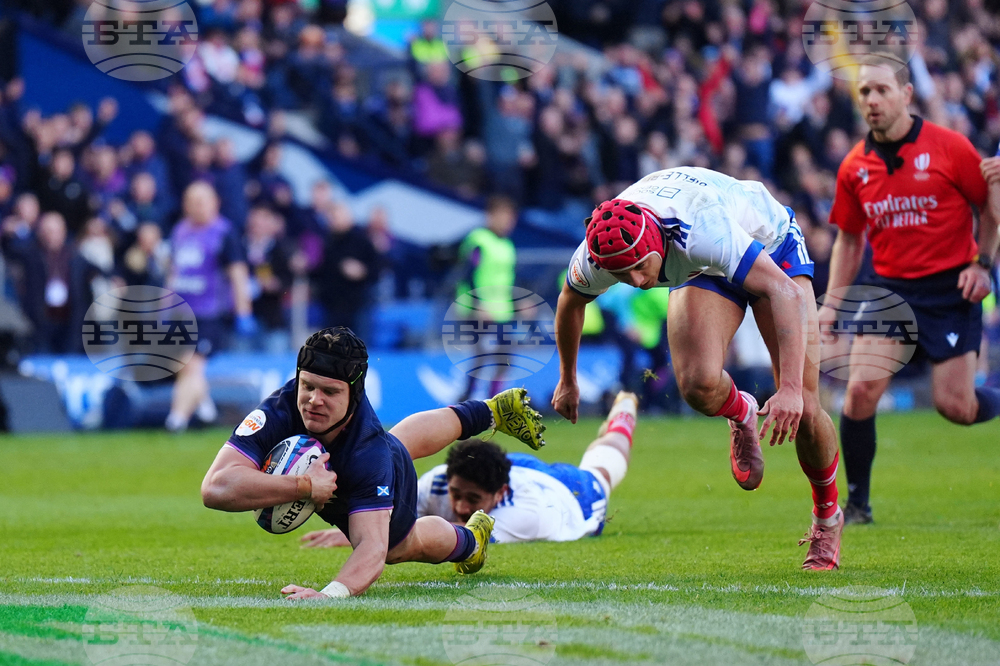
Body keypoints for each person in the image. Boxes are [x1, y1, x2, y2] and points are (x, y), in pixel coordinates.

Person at [552, 166, 843, 570]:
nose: (635, 281)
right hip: (706, 266)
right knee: (697, 385)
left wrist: (791, 388)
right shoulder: (597, 252)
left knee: (806, 408)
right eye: (620, 274)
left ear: (655, 242)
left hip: (771, 250)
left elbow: (784, 291)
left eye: (638, 266)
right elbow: (570, 301)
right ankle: (741, 411)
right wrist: (567, 379)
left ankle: (827, 516)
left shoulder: (701, 231)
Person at [201, 327, 546, 598]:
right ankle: (490, 411)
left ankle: (471, 540)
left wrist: (329, 595)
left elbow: (373, 549)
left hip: (376, 464)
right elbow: (215, 488)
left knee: (399, 545)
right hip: (360, 457)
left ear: (354, 394)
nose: (313, 400)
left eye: (330, 392)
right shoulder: (281, 407)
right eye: (307, 386)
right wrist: (304, 486)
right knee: (398, 443)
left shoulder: (369, 453)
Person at [817, 53, 1000, 526]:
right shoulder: (854, 166)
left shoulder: (950, 147)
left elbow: (989, 208)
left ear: (906, 94)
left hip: (949, 289)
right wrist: (832, 304)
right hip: (889, 291)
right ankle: (857, 506)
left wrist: (983, 265)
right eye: (865, 92)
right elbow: (850, 239)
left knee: (956, 407)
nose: (872, 100)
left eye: (882, 90)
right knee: (859, 393)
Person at [301, 391, 637, 548]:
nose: (461, 506)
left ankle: (624, 412)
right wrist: (359, 530)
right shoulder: (437, 482)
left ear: (500, 494)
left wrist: (370, 540)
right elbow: (383, 514)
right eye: (456, 493)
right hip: (510, 467)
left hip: (567, 494)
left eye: (473, 499)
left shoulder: (526, 515)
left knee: (603, 471)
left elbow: (459, 536)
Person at [165, 182, 255, 432]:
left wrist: (244, 311)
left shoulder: (224, 233)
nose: (197, 207)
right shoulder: (180, 231)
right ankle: (206, 408)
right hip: (180, 310)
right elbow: (173, 270)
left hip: (209, 312)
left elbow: (237, 272)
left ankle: (176, 420)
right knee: (182, 363)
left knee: (193, 363)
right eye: (191, 201)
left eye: (202, 201)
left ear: (215, 203)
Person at [455, 195, 518, 400]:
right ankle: (466, 400)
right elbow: (468, 274)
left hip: (501, 311)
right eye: (504, 216)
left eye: (511, 217)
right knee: (482, 356)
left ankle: (494, 401)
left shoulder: (507, 245)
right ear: (491, 216)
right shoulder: (478, 240)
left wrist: (520, 302)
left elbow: (506, 280)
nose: (508, 222)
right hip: (478, 310)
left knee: (505, 358)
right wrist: (478, 305)